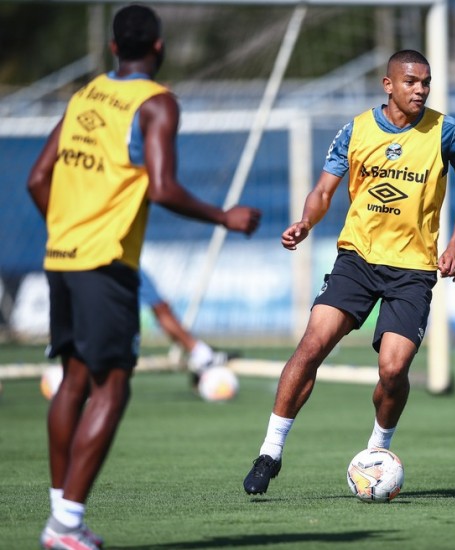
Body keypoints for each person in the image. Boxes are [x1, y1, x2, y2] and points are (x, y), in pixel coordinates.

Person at [26, 5, 261, 549]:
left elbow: (38, 178)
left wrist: (67, 227)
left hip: (62, 257)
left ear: (113, 48)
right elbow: (162, 188)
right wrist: (225, 216)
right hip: (105, 262)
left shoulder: (84, 96)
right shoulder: (156, 104)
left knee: (73, 380)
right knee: (113, 387)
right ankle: (64, 526)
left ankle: (63, 515)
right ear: (158, 48)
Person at [242, 49, 455, 496]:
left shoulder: (447, 131)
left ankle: (377, 450)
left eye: (426, 82)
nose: (421, 89)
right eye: (411, 81)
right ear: (388, 84)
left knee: (393, 370)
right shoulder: (355, 130)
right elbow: (323, 189)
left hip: (412, 268)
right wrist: (305, 222)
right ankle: (270, 451)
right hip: (358, 259)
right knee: (311, 345)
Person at [139, 269, 231, 389]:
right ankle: (202, 354)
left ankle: (201, 352)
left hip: (118, 263)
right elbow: (161, 310)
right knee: (160, 308)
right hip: (119, 263)